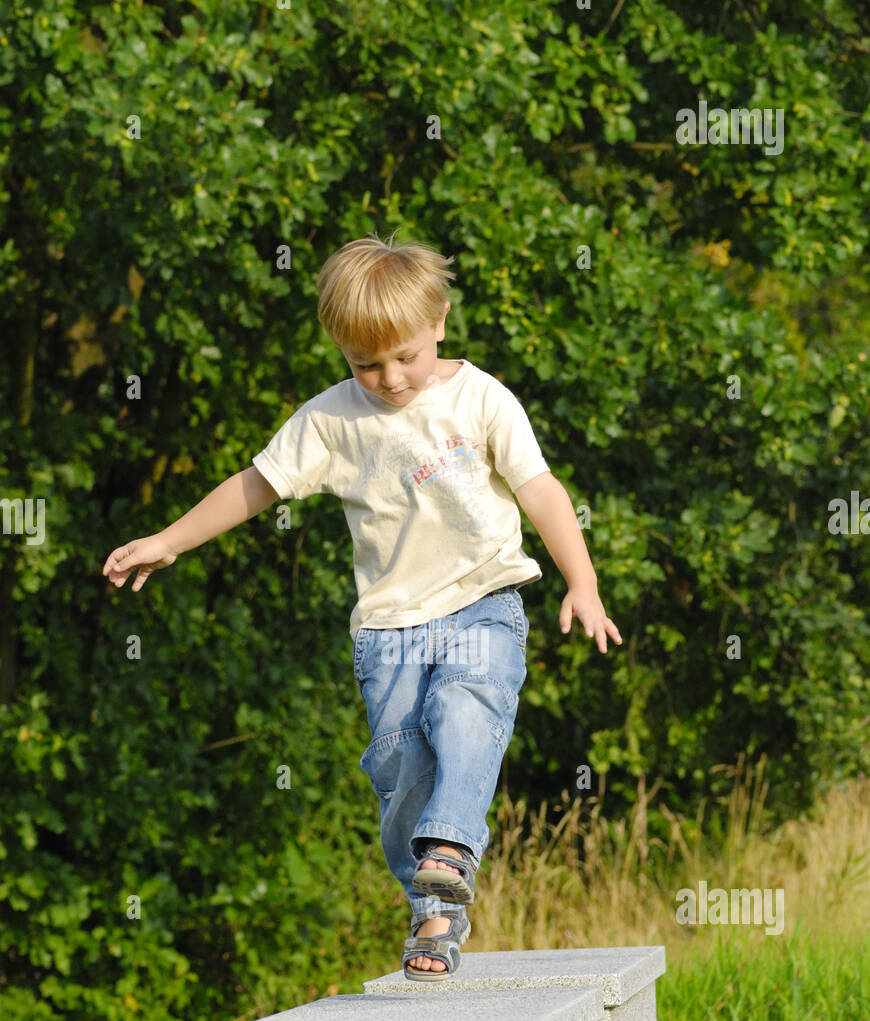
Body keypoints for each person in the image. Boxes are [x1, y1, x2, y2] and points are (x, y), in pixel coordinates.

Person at [102, 232, 622, 980]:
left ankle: (448, 850)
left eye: (404, 356)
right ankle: (432, 911)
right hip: (389, 630)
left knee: (466, 707)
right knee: (400, 763)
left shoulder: (481, 397)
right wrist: (170, 540)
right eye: (364, 363)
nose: (387, 378)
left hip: (483, 603)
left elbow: (540, 487)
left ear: (438, 319)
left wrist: (583, 580)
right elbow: (257, 485)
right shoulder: (331, 420)